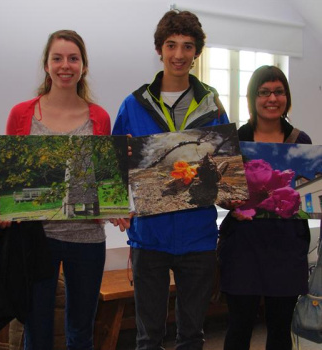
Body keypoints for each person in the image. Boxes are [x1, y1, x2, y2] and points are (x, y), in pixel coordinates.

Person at [112, 10, 229, 350]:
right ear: (159, 49)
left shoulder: (213, 104)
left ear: (197, 53)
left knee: (192, 336)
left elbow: (222, 165)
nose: (179, 54)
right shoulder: (132, 105)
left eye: (187, 46)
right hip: (149, 237)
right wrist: (117, 205)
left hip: (199, 236)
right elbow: (116, 165)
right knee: (148, 338)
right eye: (171, 45)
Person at [5, 29, 111, 350]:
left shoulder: (100, 118)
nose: (66, 65)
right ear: (47, 64)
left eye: (73, 58)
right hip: (37, 238)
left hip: (88, 239)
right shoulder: (22, 114)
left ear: (84, 66)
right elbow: (13, 181)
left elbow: (104, 183)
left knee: (81, 332)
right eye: (58, 58)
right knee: (36, 331)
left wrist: (116, 204)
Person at [218, 65, 311, 350]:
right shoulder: (234, 139)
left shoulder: (301, 141)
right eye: (264, 92)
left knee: (280, 329)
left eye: (279, 91)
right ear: (252, 98)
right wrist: (227, 201)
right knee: (240, 326)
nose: (272, 98)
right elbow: (221, 194)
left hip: (286, 247)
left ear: (286, 96)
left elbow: (308, 193)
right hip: (243, 246)